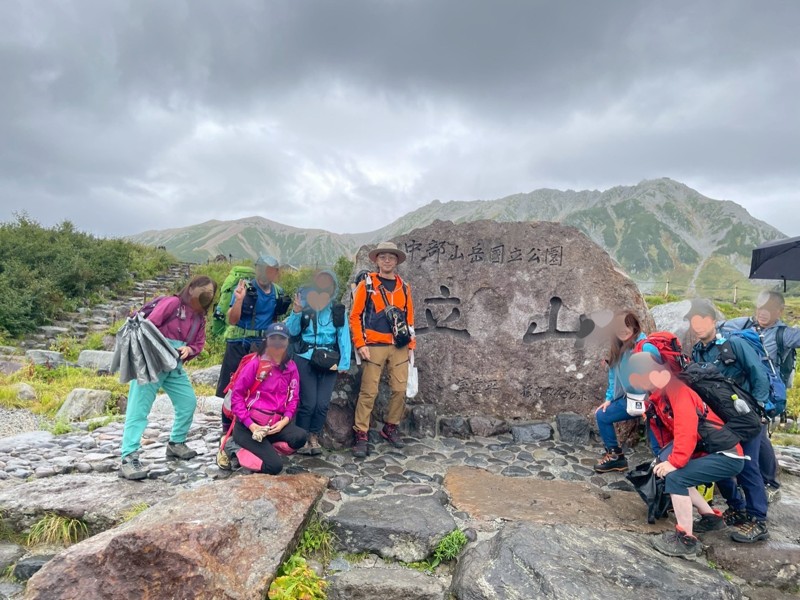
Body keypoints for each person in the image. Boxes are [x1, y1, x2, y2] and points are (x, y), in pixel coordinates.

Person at [626, 352, 746, 558]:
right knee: (681, 474)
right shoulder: (660, 396)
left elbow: (686, 428)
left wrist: (675, 462)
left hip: (728, 455)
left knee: (677, 477)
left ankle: (686, 539)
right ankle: (711, 518)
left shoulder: (677, 391)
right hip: (717, 452)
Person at [688, 298, 771, 543]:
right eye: (694, 321)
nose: (698, 325)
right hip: (719, 421)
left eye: (703, 320)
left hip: (745, 417)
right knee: (721, 464)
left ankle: (758, 520)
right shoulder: (697, 351)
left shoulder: (734, 344)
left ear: (713, 321)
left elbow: (758, 374)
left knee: (747, 466)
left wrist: (758, 407)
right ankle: (737, 507)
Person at [120, 275, 217, 480]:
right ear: (191, 289)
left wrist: (189, 349)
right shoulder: (172, 303)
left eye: (210, 293)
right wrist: (167, 345)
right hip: (151, 363)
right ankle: (129, 457)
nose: (207, 296)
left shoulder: (200, 318)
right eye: (204, 291)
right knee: (139, 408)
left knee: (188, 402)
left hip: (174, 365)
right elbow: (148, 327)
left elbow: (198, 344)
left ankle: (176, 443)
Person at [719, 290, 800, 502]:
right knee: (755, 434)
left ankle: (768, 482)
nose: (763, 313)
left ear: (779, 311)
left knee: (759, 435)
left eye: (770, 309)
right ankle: (752, 478)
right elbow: (719, 328)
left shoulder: (784, 334)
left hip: (765, 394)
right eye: (761, 307)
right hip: (740, 389)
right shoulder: (744, 325)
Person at [349, 242, 416, 458]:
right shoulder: (367, 284)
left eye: (391, 257)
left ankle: (391, 426)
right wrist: (360, 343)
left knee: (399, 389)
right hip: (373, 345)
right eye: (383, 257)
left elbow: (409, 318)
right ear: (376, 260)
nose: (387, 261)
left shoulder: (404, 287)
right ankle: (361, 432)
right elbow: (355, 315)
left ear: (397, 261)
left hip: (399, 345)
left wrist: (411, 346)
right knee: (369, 391)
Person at [215, 254, 290, 434]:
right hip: (239, 342)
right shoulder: (245, 289)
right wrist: (239, 300)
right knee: (233, 387)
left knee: (257, 386)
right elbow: (233, 320)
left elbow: (275, 320)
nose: (265, 274)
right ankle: (227, 427)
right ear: (257, 269)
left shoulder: (277, 292)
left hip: (261, 346)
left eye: (270, 271)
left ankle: (249, 423)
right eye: (262, 269)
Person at [285, 270, 352, 455]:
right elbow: (291, 332)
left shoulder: (337, 311)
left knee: (322, 403)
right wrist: (296, 312)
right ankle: (301, 437)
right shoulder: (305, 307)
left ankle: (314, 436)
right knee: (308, 402)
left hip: (328, 360)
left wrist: (345, 363)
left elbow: (343, 337)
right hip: (305, 357)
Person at [229, 322, 307, 475]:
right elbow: (236, 396)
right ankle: (234, 448)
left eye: (282, 340)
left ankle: (264, 448)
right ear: (266, 342)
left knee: (300, 437)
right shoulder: (256, 364)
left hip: (273, 426)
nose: (277, 345)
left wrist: (284, 422)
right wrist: (252, 426)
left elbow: (293, 398)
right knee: (274, 467)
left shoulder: (291, 367)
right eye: (273, 339)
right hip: (249, 426)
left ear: (287, 343)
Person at [593, 312, 662, 473]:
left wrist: (652, 405)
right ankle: (616, 458)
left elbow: (660, 378)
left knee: (657, 443)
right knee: (603, 415)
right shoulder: (618, 348)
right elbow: (612, 375)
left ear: (634, 327)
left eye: (626, 326)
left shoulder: (646, 347)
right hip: (632, 400)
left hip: (652, 403)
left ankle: (666, 475)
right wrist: (609, 398)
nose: (622, 330)